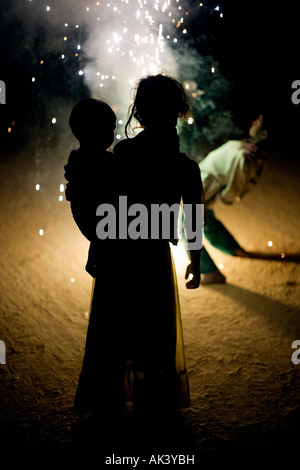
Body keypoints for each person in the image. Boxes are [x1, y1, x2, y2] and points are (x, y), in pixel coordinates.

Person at [110, 73, 206, 416]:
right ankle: (155, 405)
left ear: (139, 113)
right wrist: (195, 262)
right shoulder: (185, 167)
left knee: (123, 328)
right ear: (178, 112)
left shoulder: (122, 152)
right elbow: (193, 221)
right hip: (152, 258)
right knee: (156, 331)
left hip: (120, 256)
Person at [186, 113, 268, 284]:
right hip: (204, 186)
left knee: (188, 227)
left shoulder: (244, 157)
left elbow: (234, 189)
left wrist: (213, 200)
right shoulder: (249, 148)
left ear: (264, 134)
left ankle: (209, 271)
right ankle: (234, 249)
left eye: (259, 122)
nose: (254, 121)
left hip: (205, 188)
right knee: (208, 223)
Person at [64, 98, 116, 277]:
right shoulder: (106, 162)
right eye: (111, 128)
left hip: (90, 222)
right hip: (102, 224)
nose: (113, 133)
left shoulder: (76, 159)